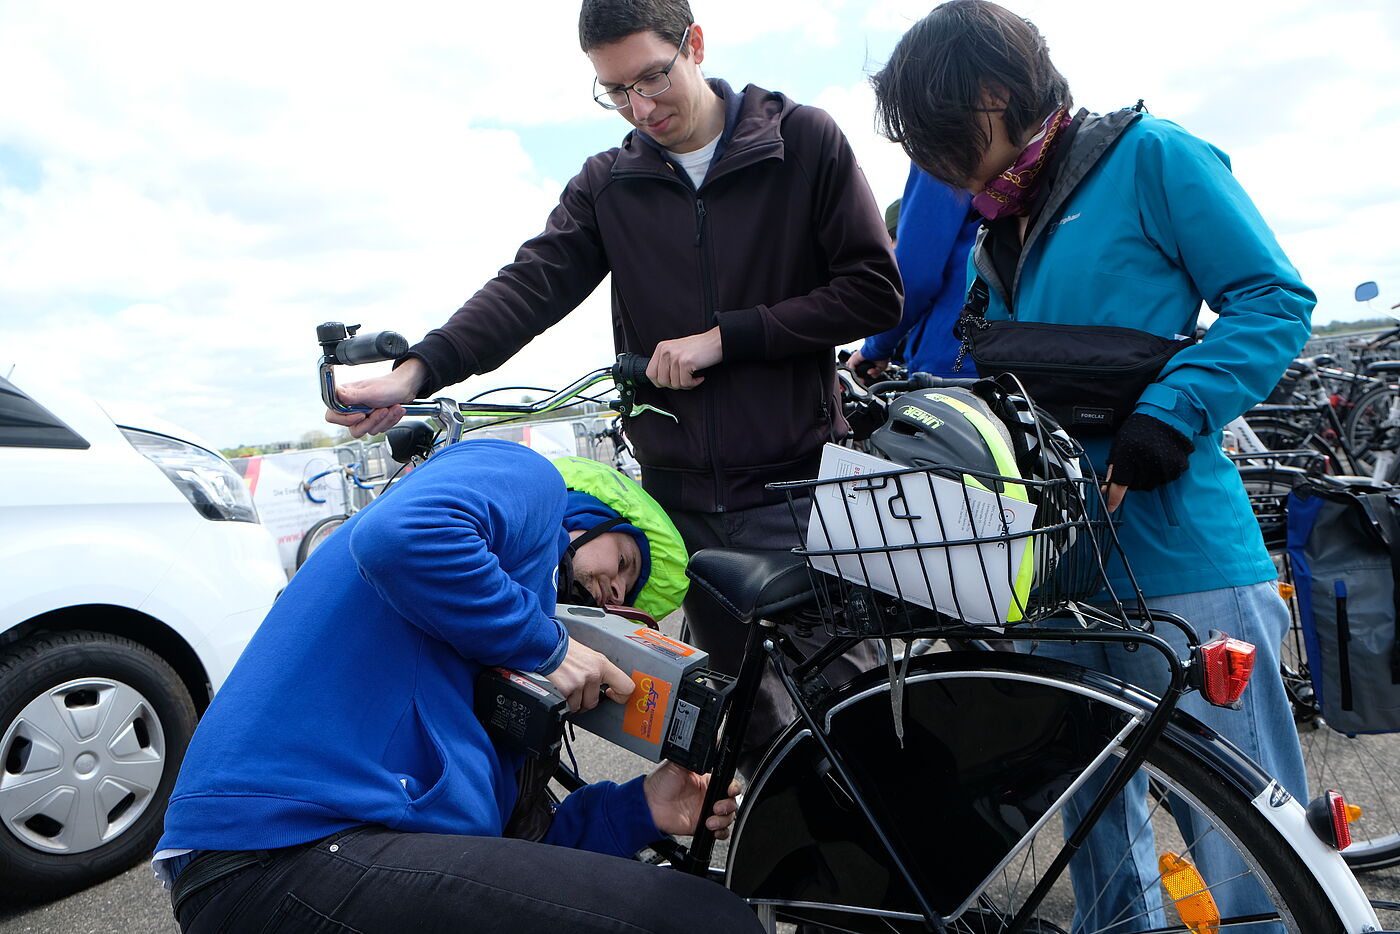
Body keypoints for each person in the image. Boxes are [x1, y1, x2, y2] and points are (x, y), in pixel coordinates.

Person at [325, 0, 901, 773]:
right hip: (680, 499)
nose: (641, 107)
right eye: (615, 91)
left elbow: (873, 290)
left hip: (797, 487)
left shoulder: (801, 141)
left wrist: (729, 337)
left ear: (694, 43)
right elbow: (528, 288)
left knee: (852, 708)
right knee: (743, 722)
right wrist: (417, 369)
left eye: (653, 78)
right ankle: (800, 891)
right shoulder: (608, 182)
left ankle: (906, 885)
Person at [870, 2, 1313, 931]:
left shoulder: (1153, 157)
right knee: (1095, 829)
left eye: (945, 133)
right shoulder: (999, 221)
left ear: (997, 93)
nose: (939, 163)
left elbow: (1273, 298)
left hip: (1183, 560)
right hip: (1059, 569)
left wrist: (1170, 415)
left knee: (1253, 851)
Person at [153, 439, 762, 933]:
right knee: (700, 919)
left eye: (624, 597)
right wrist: (547, 645)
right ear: (588, 514)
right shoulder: (527, 481)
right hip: (279, 846)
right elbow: (400, 536)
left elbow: (514, 854)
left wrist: (642, 808)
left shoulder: (500, 664)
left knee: (676, 899)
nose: (612, 593)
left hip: (329, 858)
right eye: (623, 563)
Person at [848, 166, 980, 382]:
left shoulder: (941, 142)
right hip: (1033, 350)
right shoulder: (1046, 139)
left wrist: (876, 348)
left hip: (954, 361)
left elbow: (914, 278)